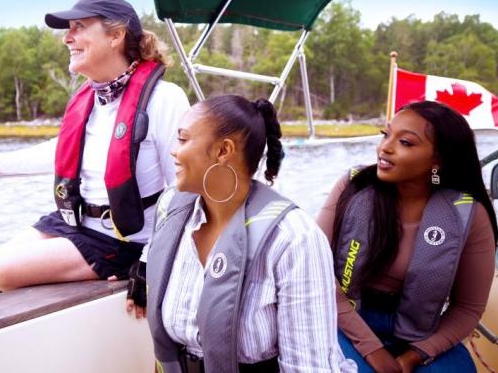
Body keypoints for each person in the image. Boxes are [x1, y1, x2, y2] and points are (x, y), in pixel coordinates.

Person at [0, 0, 190, 292]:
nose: (67, 38)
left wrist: (150, 260)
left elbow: (182, 189)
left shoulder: (165, 98)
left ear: (116, 36)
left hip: (124, 242)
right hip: (76, 225)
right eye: (69, 29)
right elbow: (62, 152)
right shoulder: (92, 99)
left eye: (79, 26)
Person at [145, 95, 355, 372]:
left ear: (223, 150)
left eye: (183, 140)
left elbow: (308, 366)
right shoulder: (170, 209)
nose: (173, 151)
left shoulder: (293, 237)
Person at [317, 101, 498, 372]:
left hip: (419, 332)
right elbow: (316, 273)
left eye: (405, 142)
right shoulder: (353, 188)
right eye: (385, 135)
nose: (385, 148)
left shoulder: (468, 215)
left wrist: (413, 357)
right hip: (343, 320)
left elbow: (467, 309)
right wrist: (373, 350)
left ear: (438, 160)